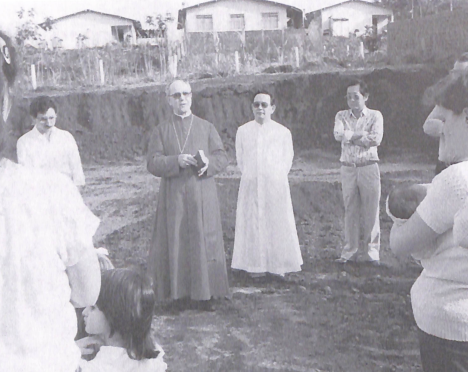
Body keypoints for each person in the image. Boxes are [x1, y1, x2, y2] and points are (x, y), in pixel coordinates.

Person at [0, 31, 101, 372]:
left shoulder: (66, 144)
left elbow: (75, 168)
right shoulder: (36, 165)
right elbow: (87, 293)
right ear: (6, 103)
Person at [390, 69, 468, 372]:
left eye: (445, 120)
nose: (441, 130)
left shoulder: (457, 179)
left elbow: (400, 244)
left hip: (451, 329)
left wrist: (396, 208)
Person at [147, 79, 229, 311]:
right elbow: (152, 163)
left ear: (191, 97)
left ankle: (206, 295)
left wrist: (208, 165)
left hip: (202, 193)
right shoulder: (161, 130)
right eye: (176, 96)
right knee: (176, 240)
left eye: (185, 94)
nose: (182, 99)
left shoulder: (206, 127)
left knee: (204, 241)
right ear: (169, 101)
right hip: (174, 197)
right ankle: (178, 295)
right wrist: (176, 160)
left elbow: (222, 157)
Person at [231, 92, 302, 278]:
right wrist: (253, 176)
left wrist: (273, 178)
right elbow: (241, 159)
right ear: (252, 107)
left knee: (276, 222)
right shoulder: (243, 131)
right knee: (253, 223)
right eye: (256, 105)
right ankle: (255, 266)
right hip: (251, 185)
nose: (260, 108)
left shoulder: (282, 132)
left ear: (272, 108)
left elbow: (287, 159)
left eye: (264, 104)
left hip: (275, 186)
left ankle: (278, 266)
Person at [333, 78, 383, 265]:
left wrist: (349, 137)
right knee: (350, 210)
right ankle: (349, 251)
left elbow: (376, 139)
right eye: (349, 97)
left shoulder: (375, 116)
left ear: (365, 97)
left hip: (368, 166)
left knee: (371, 209)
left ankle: (372, 252)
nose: (352, 100)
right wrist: (360, 136)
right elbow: (338, 134)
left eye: (356, 96)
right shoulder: (341, 116)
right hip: (348, 168)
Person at [77, 269, 167, 372]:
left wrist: (68, 353)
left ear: (113, 315)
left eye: (93, 308)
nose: (84, 312)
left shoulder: (102, 365)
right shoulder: (148, 359)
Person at [423, 52, 468, 175]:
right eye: (454, 72)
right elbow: (427, 126)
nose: (456, 77)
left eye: (461, 73)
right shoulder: (447, 100)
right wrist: (446, 128)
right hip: (447, 166)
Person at [17, 96, 85, 186]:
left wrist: (75, 194)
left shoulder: (66, 137)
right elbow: (26, 177)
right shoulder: (24, 142)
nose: (48, 123)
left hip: (67, 192)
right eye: (43, 119)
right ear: (33, 118)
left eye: (51, 118)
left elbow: (77, 172)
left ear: (56, 115)